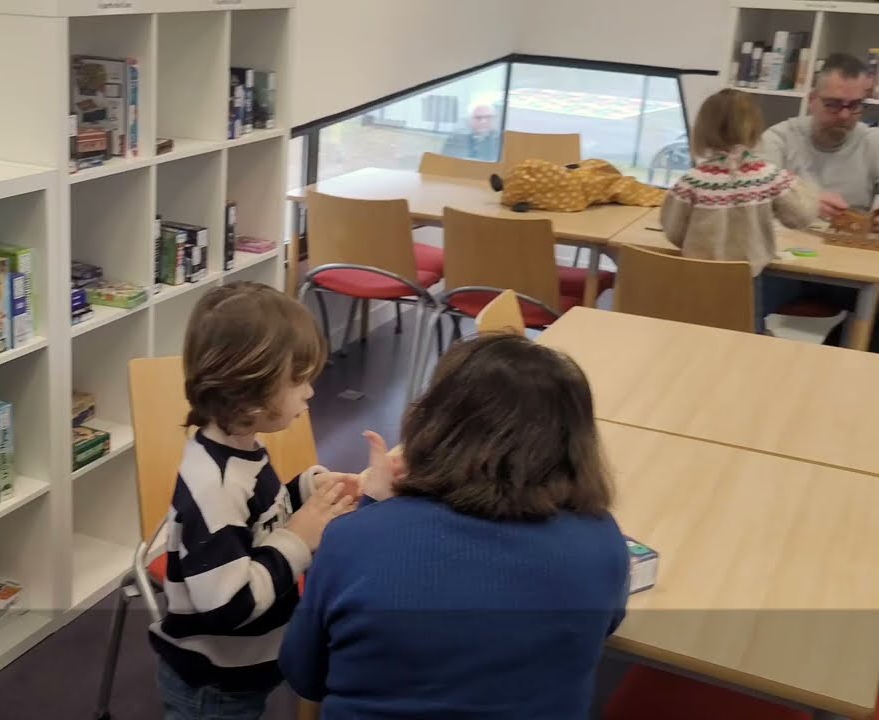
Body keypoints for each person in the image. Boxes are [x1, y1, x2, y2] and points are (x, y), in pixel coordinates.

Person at [279, 333, 630, 719]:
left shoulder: (353, 540)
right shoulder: (602, 543)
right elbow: (599, 632)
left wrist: (373, 508)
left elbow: (305, 674)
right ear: (575, 443)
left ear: (434, 422)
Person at [151, 282, 359, 720]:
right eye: (298, 380)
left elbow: (260, 517)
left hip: (242, 667)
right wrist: (298, 538)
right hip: (214, 681)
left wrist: (306, 489)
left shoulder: (243, 446)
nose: (311, 392)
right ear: (247, 392)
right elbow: (229, 605)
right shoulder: (214, 484)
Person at [661, 88, 818, 333]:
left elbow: (672, 231)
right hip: (746, 282)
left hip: (695, 282)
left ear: (702, 131)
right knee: (744, 341)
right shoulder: (768, 176)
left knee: (693, 339)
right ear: (755, 130)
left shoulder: (692, 181)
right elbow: (802, 216)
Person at [761, 53, 879, 223]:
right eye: (833, 104)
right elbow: (754, 201)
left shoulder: (872, 142)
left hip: (848, 245)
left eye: (854, 105)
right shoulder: (779, 139)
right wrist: (805, 204)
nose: (844, 115)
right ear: (812, 100)